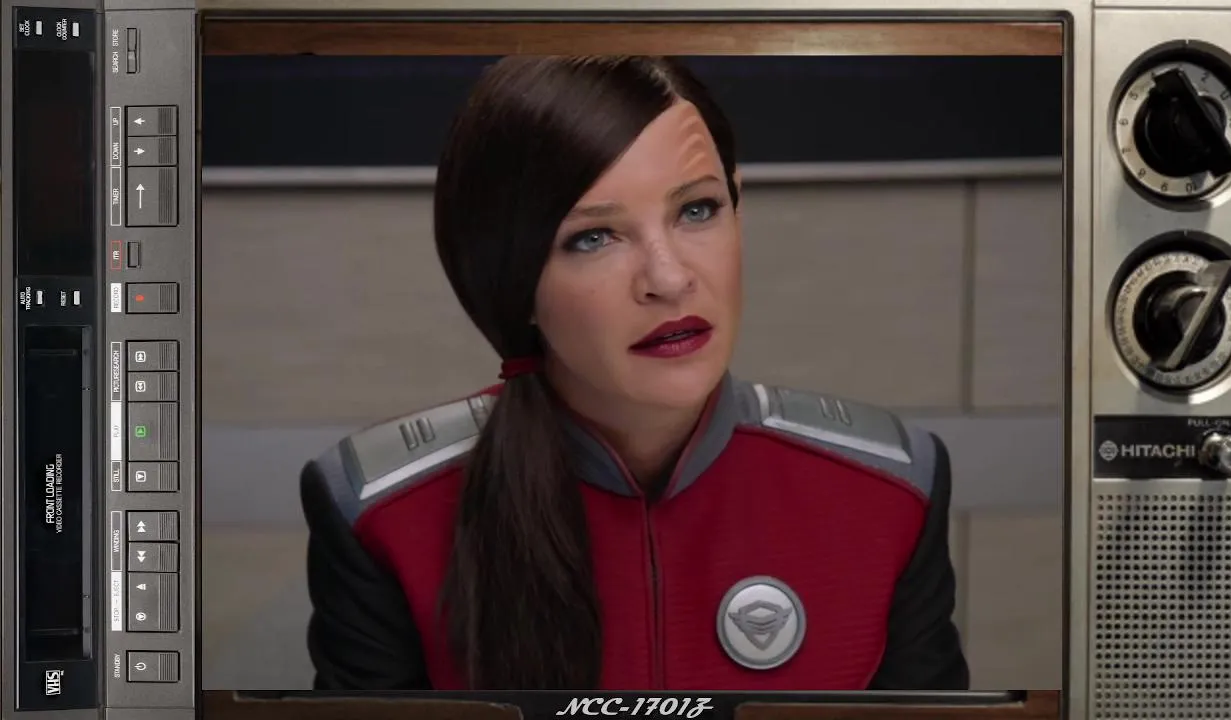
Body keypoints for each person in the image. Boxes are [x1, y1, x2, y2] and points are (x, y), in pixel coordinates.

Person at [300, 55, 969, 692]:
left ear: (739, 207)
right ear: (510, 278)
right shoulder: (380, 513)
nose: (669, 279)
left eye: (697, 210)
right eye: (593, 237)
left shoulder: (892, 490)